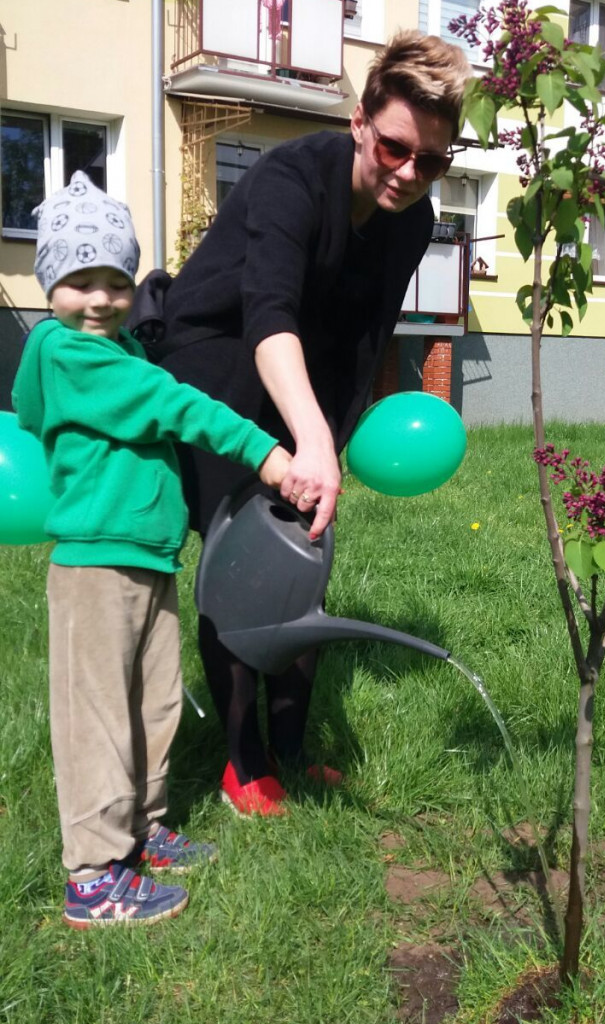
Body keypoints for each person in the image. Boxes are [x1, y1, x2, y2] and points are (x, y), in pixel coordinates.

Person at [131, 31, 471, 817]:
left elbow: (361, 342)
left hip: (299, 380)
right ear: (360, 122)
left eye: (432, 161)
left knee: (306, 554)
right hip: (213, 363)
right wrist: (304, 439)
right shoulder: (292, 178)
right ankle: (243, 764)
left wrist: (331, 445)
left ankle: (293, 749)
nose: (408, 173)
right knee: (249, 558)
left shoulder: (412, 221)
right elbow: (269, 315)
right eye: (394, 148)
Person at [12, 171, 292, 928]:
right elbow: (176, 404)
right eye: (78, 281)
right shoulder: (69, 353)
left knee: (154, 702)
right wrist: (266, 453)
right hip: (97, 564)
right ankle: (95, 873)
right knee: (99, 715)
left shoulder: (122, 349)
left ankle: (142, 827)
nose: (99, 299)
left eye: (115, 279)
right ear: (49, 286)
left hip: (146, 554)